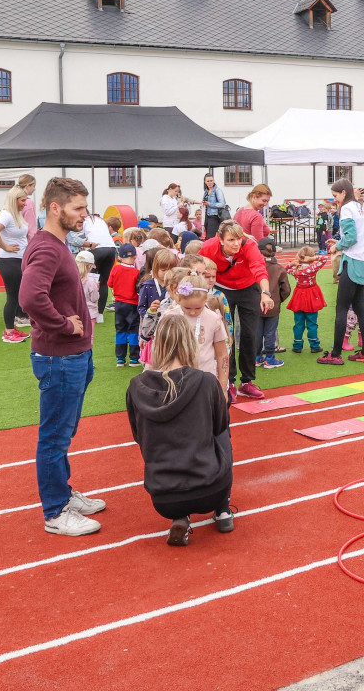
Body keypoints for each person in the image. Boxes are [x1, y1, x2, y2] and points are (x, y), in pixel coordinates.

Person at [17, 177, 101, 536]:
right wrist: (65, 326)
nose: (84, 214)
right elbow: (30, 298)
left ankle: (63, 494)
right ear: (56, 208)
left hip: (73, 355)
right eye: (78, 208)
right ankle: (55, 511)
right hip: (60, 357)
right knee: (54, 436)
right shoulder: (48, 247)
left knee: (63, 433)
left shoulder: (57, 242)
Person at [126, 314, 235, 547]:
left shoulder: (136, 386)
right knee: (223, 431)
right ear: (189, 343)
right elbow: (219, 426)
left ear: (158, 344)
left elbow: (138, 436)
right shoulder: (206, 382)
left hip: (163, 498)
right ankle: (222, 509)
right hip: (210, 488)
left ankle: (180, 517)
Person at [198, 220, 274, 397]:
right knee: (225, 335)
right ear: (220, 239)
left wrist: (265, 293)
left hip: (248, 288)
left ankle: (247, 381)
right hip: (222, 289)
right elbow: (196, 266)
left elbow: (259, 268)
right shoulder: (209, 247)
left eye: (238, 239)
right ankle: (228, 382)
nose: (236, 243)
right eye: (231, 239)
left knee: (249, 334)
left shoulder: (249, 246)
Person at [318, 178, 364, 366]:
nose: (335, 200)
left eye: (335, 196)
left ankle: (335, 354)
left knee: (341, 308)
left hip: (353, 261)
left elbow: (350, 238)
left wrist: (337, 247)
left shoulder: (347, 209)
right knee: (360, 309)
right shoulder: (360, 207)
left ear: (343, 192)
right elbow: (357, 235)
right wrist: (340, 242)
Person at [158, 270, 230, 395]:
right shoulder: (168, 317)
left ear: (205, 299)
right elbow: (161, 351)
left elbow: (222, 355)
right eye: (187, 308)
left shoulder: (213, 318)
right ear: (178, 298)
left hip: (206, 381)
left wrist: (223, 388)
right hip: (175, 381)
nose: (192, 312)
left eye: (198, 308)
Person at [0, 185, 32, 343]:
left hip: (17, 260)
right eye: (23, 200)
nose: (25, 203)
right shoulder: (6, 215)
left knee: (18, 296)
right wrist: (4, 246)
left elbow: (2, 233)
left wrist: (0, 242)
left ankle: (12, 329)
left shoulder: (16, 215)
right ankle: (8, 332)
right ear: (14, 200)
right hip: (10, 261)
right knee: (12, 297)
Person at [257, 238, 290, 369]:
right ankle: (270, 358)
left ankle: (257, 357)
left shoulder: (254, 267)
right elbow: (286, 289)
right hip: (273, 305)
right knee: (270, 332)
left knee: (256, 332)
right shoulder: (279, 269)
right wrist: (278, 300)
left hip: (256, 304)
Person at [285, 246, 325, 354]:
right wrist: (314, 259)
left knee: (298, 323)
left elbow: (285, 268)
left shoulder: (296, 270)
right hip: (311, 296)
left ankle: (297, 345)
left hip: (299, 296)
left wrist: (292, 263)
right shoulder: (312, 269)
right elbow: (324, 259)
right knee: (312, 322)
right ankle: (314, 345)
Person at [108, 243, 142, 366]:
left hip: (118, 303)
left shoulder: (115, 268)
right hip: (132, 303)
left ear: (120, 257)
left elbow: (110, 283)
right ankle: (134, 357)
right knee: (133, 329)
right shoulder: (136, 272)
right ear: (135, 256)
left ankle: (120, 358)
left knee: (120, 329)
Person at [79, 213, 116, 321]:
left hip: (96, 249)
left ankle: (90, 312)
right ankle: (100, 314)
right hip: (110, 248)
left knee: (89, 280)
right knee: (103, 282)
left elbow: (79, 237)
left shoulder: (83, 220)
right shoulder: (100, 220)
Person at [201, 174, 228, 239]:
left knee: (210, 237)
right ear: (205, 182)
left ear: (214, 181)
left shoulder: (217, 190)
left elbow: (222, 204)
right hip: (207, 216)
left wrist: (210, 204)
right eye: (208, 181)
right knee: (207, 236)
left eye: (211, 181)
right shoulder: (206, 191)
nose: (210, 183)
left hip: (214, 216)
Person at [76, 250, 100, 323]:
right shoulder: (91, 281)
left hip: (75, 312)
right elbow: (94, 298)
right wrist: (97, 288)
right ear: (90, 266)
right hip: (89, 313)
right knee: (89, 334)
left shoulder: (71, 278)